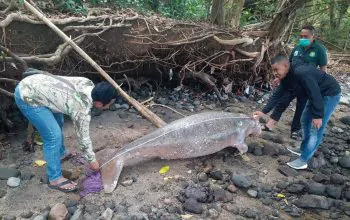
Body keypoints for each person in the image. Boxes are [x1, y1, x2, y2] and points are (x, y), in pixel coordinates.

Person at [14, 68, 115, 192]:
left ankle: (61, 153)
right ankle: (55, 178)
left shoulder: (88, 83)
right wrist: (92, 161)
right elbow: (83, 139)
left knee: (59, 122)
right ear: (99, 104)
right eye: (109, 103)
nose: (110, 105)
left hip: (40, 88)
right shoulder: (81, 109)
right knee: (53, 136)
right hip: (27, 96)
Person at [253, 55, 341, 169]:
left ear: (285, 66)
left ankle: (304, 160)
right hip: (316, 95)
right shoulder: (287, 76)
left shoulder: (302, 73)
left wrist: (318, 115)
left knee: (316, 129)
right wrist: (263, 112)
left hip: (329, 93)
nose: (274, 73)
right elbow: (277, 96)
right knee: (305, 120)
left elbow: (315, 93)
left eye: (276, 70)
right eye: (273, 70)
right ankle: (303, 150)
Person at [262, 26, 328, 139]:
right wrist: (279, 78)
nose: (303, 38)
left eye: (306, 37)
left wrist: (320, 86)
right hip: (290, 81)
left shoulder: (319, 50)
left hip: (305, 85)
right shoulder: (297, 48)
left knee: (300, 107)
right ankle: (270, 124)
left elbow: (323, 69)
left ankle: (295, 130)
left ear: (313, 36)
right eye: (301, 36)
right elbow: (287, 64)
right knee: (282, 102)